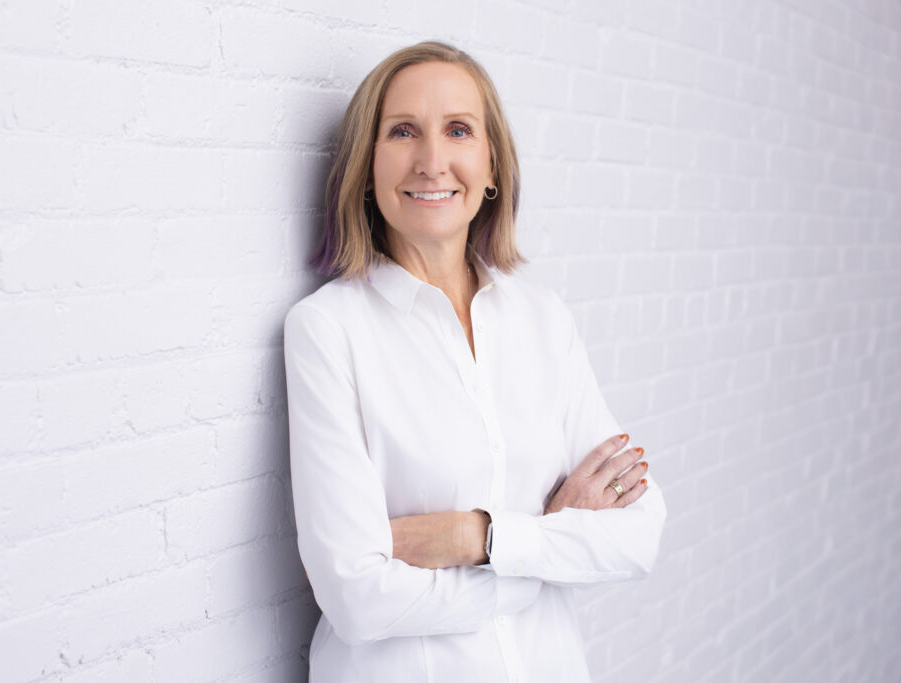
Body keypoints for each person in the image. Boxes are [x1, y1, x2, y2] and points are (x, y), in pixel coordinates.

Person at [284, 41, 667, 683]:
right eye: (402, 131)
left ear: (492, 166)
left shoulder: (543, 320)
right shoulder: (328, 331)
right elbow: (355, 597)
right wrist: (542, 554)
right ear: (366, 167)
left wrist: (480, 539)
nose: (432, 161)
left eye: (458, 130)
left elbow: (639, 534)